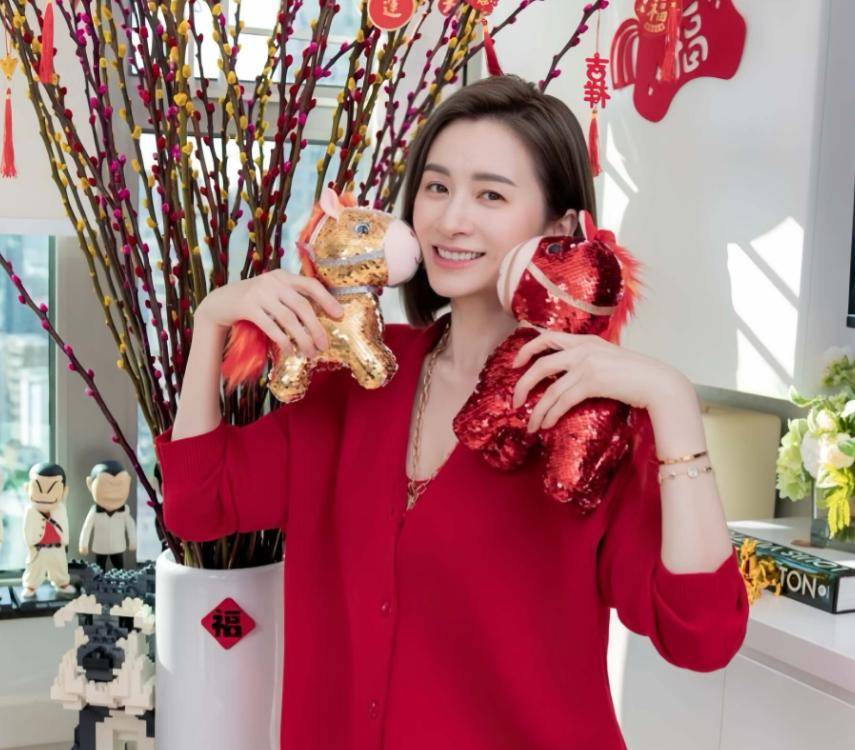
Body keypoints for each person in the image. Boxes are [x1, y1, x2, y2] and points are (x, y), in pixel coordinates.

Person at [154, 74, 748, 750]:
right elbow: (199, 505)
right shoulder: (353, 376)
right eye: (436, 187)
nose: (450, 219)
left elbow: (700, 637)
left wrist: (671, 402)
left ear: (560, 228)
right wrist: (211, 322)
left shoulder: (589, 421)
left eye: (490, 194)